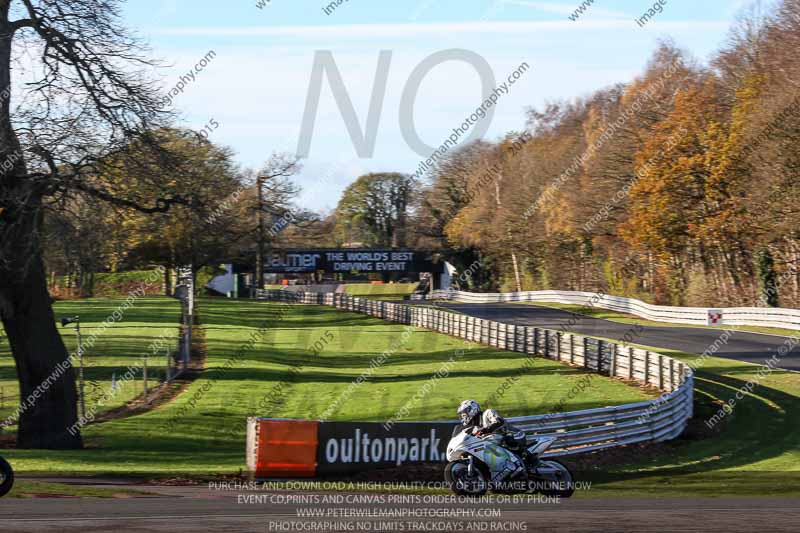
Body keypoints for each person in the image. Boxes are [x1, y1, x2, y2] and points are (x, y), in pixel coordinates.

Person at [457, 399, 528, 461]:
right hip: (496, 442)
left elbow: (499, 422)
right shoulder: (475, 427)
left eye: (464, 415)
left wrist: (485, 430)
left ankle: (527, 456)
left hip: (515, 435)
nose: (463, 417)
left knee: (506, 439)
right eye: (462, 415)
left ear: (472, 410)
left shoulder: (488, 413)